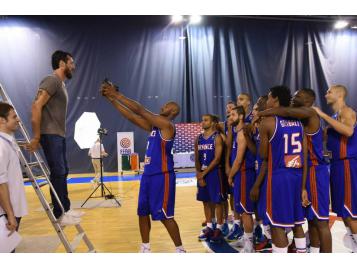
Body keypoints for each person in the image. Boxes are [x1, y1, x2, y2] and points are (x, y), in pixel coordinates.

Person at [101, 80, 185, 253]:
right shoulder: (155, 127)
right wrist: (112, 100)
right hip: (148, 176)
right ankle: (145, 248)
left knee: (166, 216)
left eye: (166, 105)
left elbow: (140, 110)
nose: (163, 106)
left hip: (162, 175)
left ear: (173, 111)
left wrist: (117, 94)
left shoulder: (167, 126)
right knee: (142, 212)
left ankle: (180, 250)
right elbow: (131, 116)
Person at [257, 88, 332, 253]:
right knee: (308, 220)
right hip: (301, 170)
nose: (293, 97)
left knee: (320, 222)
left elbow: (284, 110)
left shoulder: (310, 113)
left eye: (298, 96)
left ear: (307, 101)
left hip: (314, 170)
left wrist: (262, 113)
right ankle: (309, 251)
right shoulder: (298, 120)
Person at [26, 50, 83, 226]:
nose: (73, 66)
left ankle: (65, 209)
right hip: (50, 134)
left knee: (63, 171)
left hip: (58, 134)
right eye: (71, 62)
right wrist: (36, 136)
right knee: (58, 172)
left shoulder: (61, 84)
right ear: (62, 64)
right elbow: (36, 106)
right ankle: (59, 213)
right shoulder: (52, 80)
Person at [250, 85, 308, 253]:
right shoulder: (298, 122)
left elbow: (263, 155)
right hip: (297, 174)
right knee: (297, 222)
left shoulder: (268, 122)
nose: (267, 100)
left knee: (277, 226)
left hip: (279, 176)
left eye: (268, 97)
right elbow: (303, 155)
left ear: (274, 99)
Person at [313, 84, 357, 253]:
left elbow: (348, 131)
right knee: (344, 212)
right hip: (337, 165)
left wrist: (322, 115)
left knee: (351, 213)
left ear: (339, 95)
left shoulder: (345, 111)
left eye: (329, 91)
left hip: (347, 164)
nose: (325, 94)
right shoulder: (334, 116)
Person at [0, 102, 28, 252]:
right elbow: (0, 183)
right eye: (14, 116)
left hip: (11, 209)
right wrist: (10, 214)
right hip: (6, 212)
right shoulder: (1, 145)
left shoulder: (8, 142)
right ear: (2, 120)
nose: (18, 120)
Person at [227, 106, 256, 252]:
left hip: (244, 174)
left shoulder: (242, 133)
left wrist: (231, 175)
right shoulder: (237, 132)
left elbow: (238, 160)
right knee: (243, 211)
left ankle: (249, 246)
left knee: (246, 212)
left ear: (240, 116)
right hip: (241, 174)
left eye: (232, 114)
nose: (229, 117)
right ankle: (246, 239)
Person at [195, 114, 225, 243]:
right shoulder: (198, 138)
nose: (203, 122)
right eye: (202, 120)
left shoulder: (217, 137)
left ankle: (218, 228)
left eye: (206, 120)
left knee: (217, 202)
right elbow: (196, 158)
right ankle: (209, 227)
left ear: (212, 123)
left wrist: (204, 173)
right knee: (205, 201)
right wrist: (198, 173)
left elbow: (217, 159)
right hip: (203, 173)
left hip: (214, 173)